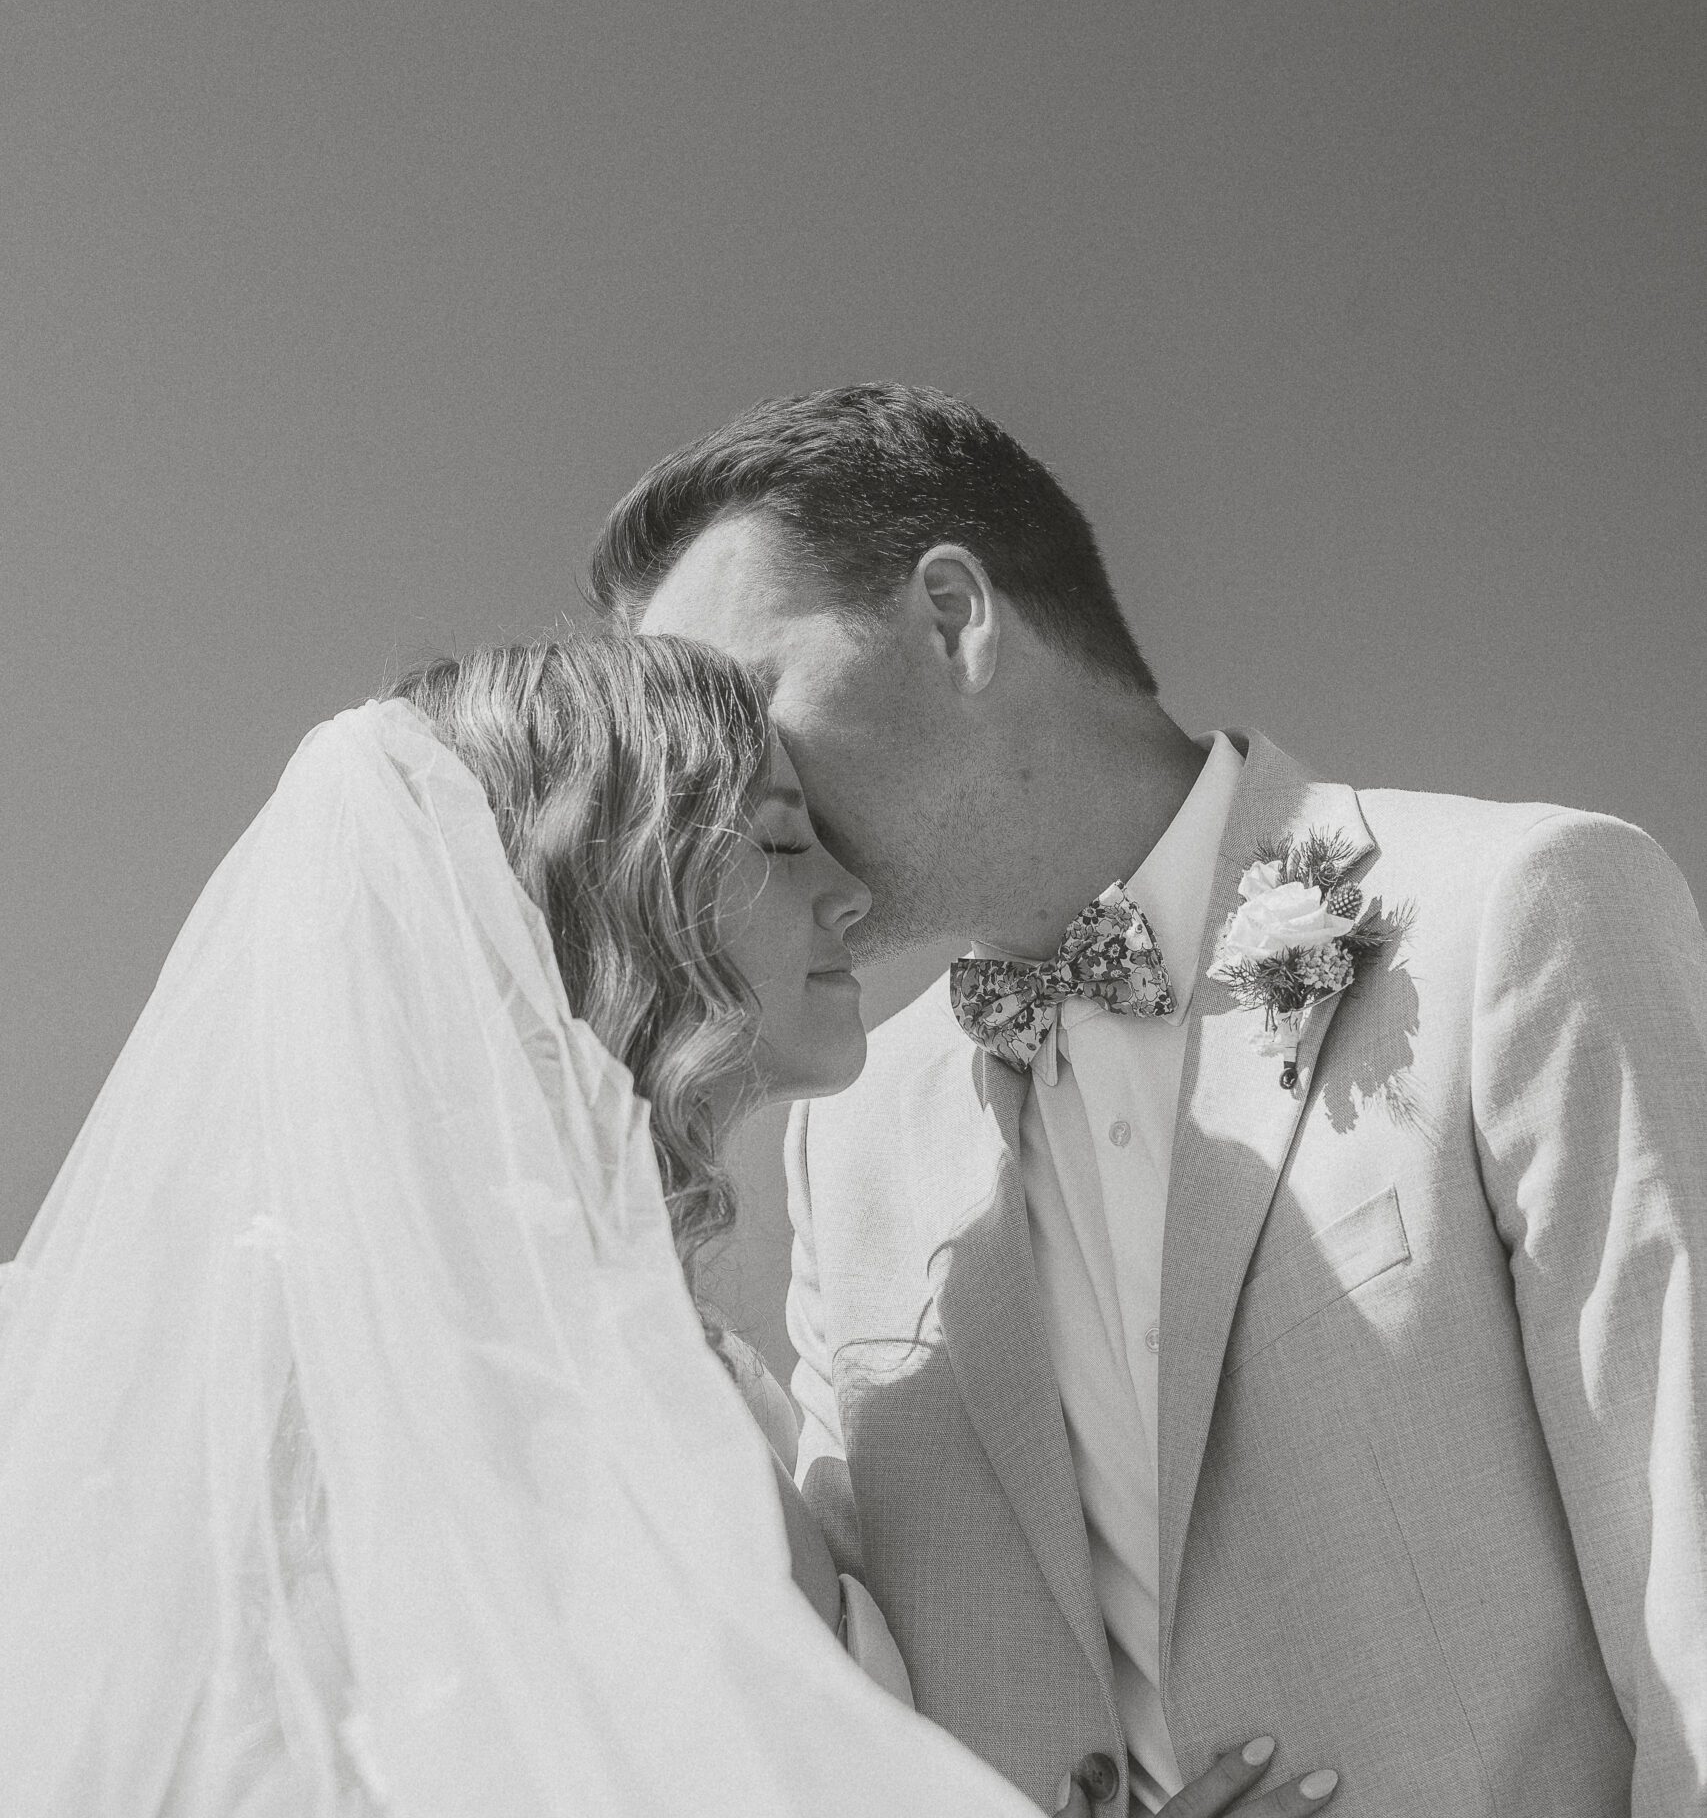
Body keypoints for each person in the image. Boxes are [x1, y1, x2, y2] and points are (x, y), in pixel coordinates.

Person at [591, 381, 1707, 1818]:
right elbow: (851, 1696)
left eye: (741, 705)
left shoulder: (1524, 914)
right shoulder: (848, 1139)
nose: (732, 792)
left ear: (952, 617)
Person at [0, 634, 1327, 1818]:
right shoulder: (342, 1367)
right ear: (613, 885)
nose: (851, 898)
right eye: (780, 835)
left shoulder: (680, 1365)